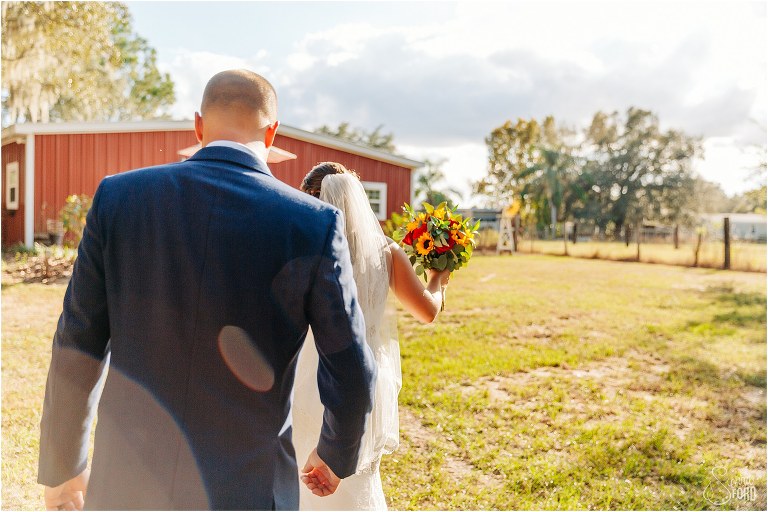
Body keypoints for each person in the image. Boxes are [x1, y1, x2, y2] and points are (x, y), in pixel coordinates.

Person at [37, 70, 376, 510]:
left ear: (198, 126)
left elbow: (76, 343)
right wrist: (335, 451)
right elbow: (350, 364)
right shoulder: (313, 223)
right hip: (249, 488)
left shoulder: (118, 198)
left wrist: (64, 466)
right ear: (272, 132)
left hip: (128, 481)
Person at [293, 162, 450, 510]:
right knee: (353, 479)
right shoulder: (385, 252)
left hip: (308, 378)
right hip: (363, 379)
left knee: (305, 482)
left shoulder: (302, 251)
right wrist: (439, 279)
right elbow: (427, 311)